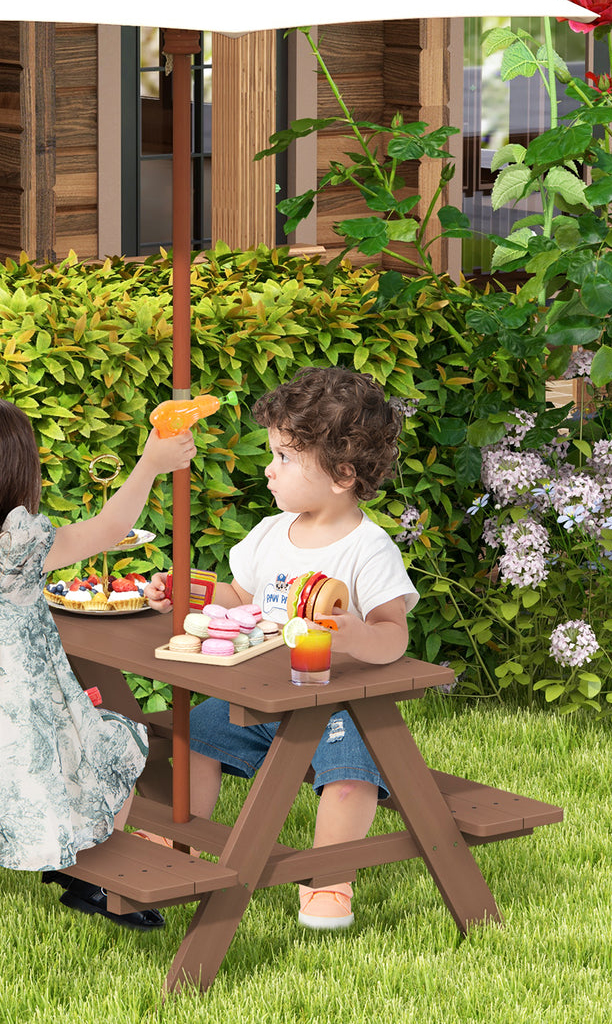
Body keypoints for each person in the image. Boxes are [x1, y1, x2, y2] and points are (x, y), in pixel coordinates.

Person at [0, 391, 195, 931]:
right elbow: (110, 528)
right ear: (8, 474)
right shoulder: (15, 549)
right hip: (0, 760)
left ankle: (83, 865)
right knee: (115, 740)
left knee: (84, 725)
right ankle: (94, 876)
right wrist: (150, 462)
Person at [144, 367, 417, 931]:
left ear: (341, 474)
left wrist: (358, 634)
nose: (268, 469)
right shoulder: (271, 532)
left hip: (337, 703)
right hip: (260, 695)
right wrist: (184, 590)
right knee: (196, 737)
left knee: (350, 774)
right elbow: (239, 597)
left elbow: (395, 632)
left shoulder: (368, 549)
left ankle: (330, 877)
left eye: (285, 458)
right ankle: (185, 837)